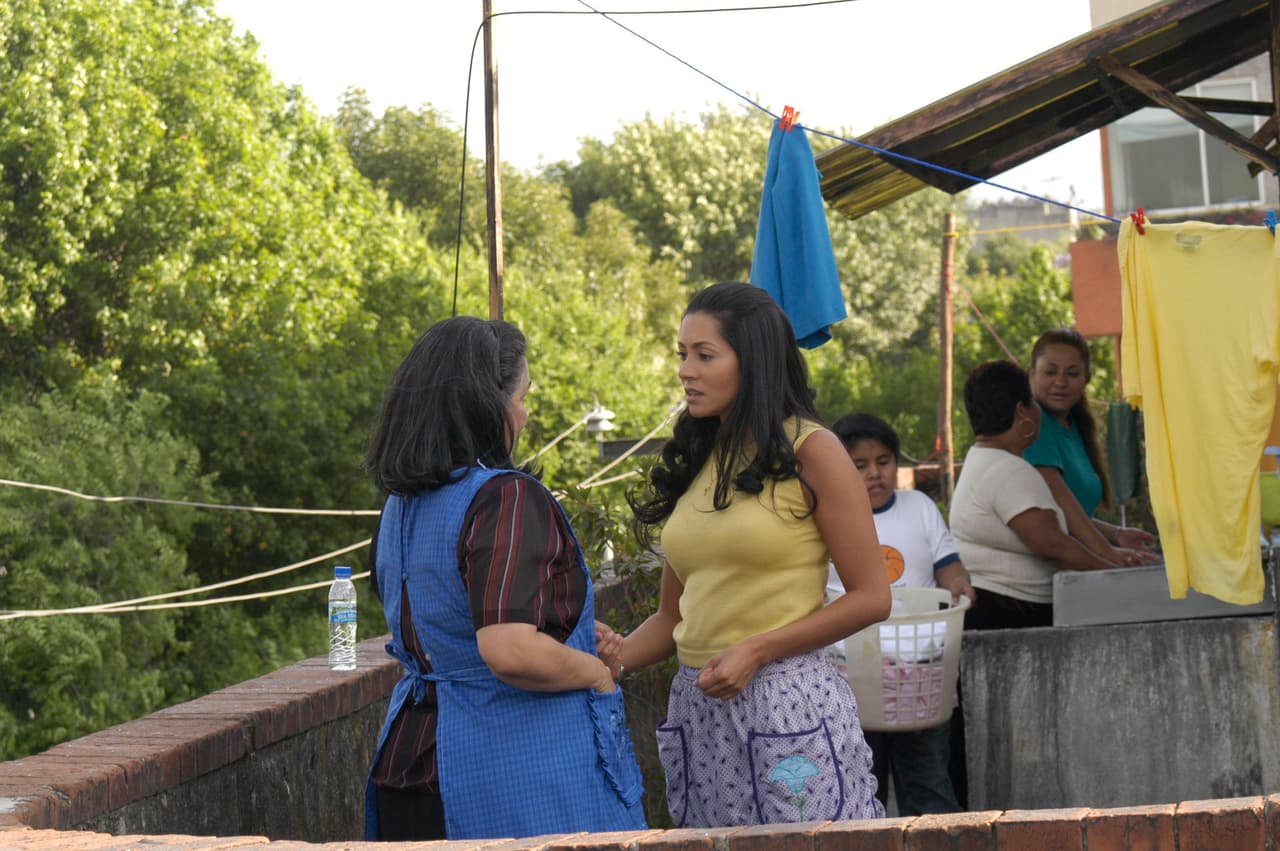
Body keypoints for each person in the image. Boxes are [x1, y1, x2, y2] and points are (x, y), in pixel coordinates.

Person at [361, 316, 646, 841]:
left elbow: (445, 619)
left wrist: (569, 636)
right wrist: (593, 672)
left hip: (409, 763)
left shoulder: (399, 504)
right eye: (522, 397)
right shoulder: (504, 498)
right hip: (504, 774)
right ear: (486, 405)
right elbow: (510, 650)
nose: (526, 413)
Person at [619, 281, 890, 828]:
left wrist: (758, 649)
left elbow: (871, 597)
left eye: (704, 355)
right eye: (682, 354)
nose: (685, 371)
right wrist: (614, 656)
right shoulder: (701, 454)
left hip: (784, 701)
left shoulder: (812, 449)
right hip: (700, 707)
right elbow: (673, 617)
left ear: (754, 361)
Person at [824, 413, 973, 816]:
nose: (875, 474)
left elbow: (948, 566)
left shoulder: (919, 507)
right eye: (860, 465)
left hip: (921, 678)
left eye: (884, 461)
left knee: (928, 788)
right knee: (857, 794)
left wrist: (959, 583)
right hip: (851, 679)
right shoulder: (826, 519)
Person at [951, 360, 1123, 631]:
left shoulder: (982, 459)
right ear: (1022, 411)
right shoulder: (1009, 470)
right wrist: (1114, 574)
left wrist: (1114, 538)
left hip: (995, 609)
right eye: (1033, 402)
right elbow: (1053, 546)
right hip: (1011, 614)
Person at [1026, 328, 1158, 568]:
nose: (1060, 382)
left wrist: (1116, 535)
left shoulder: (1075, 427)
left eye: (1072, 373)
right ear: (1031, 373)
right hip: (1040, 574)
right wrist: (1108, 552)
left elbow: (1069, 518)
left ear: (1086, 379)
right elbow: (1058, 500)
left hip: (1073, 570)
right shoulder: (1033, 424)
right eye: (1050, 372)